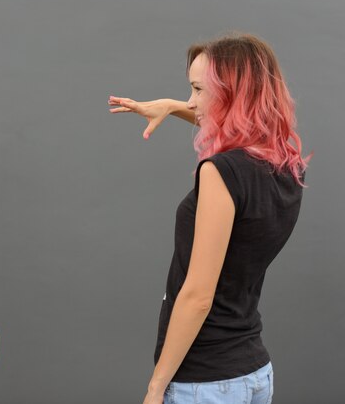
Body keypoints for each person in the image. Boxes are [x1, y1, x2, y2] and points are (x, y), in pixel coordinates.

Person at [109, 33, 308, 404]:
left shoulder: (221, 173)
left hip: (205, 383)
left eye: (199, 90)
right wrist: (170, 106)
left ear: (232, 93)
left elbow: (199, 296)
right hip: (252, 372)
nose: (192, 101)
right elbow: (241, 128)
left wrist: (156, 386)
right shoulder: (285, 163)